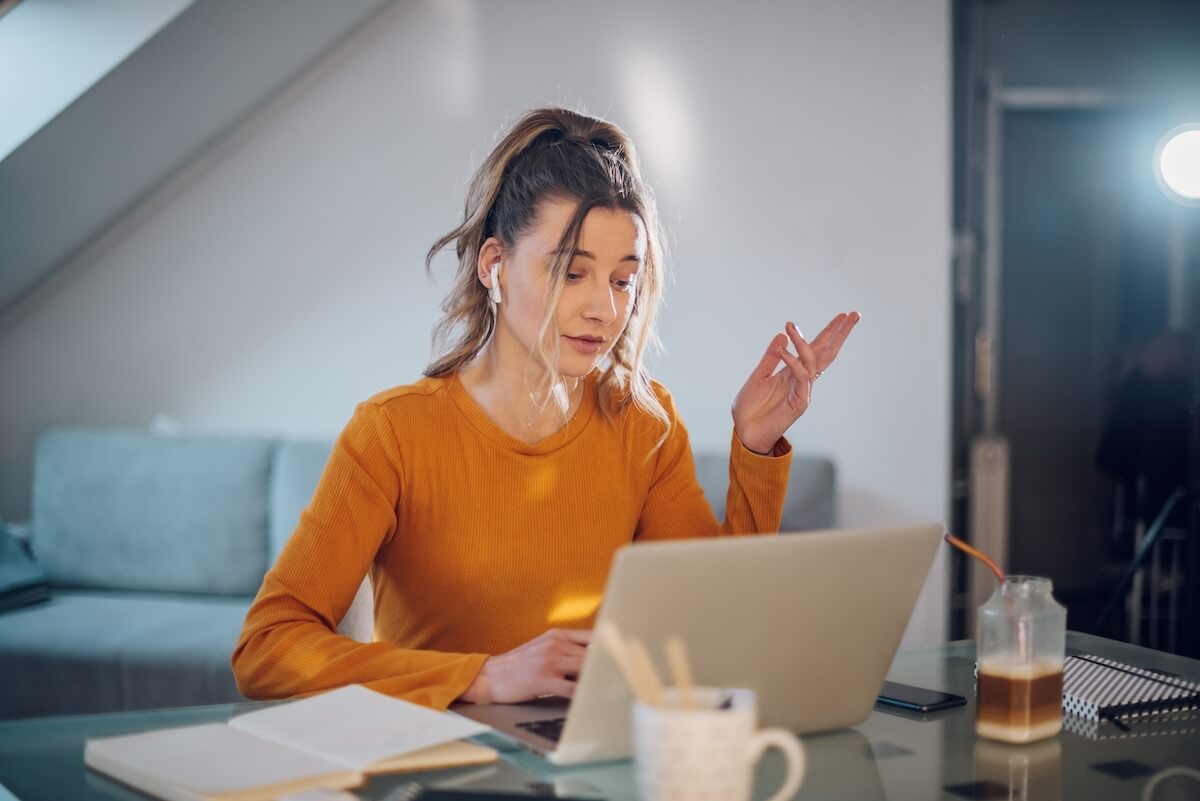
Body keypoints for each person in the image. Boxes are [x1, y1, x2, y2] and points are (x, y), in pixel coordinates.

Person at [232, 107, 859, 709]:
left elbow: (715, 625)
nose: (604, 310)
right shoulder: (393, 433)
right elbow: (267, 647)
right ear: (495, 266)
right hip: (448, 769)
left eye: (622, 280)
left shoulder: (644, 422)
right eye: (571, 271)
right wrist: (482, 677)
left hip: (596, 759)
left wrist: (752, 448)